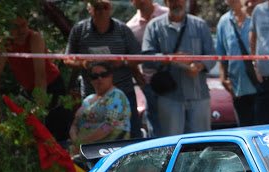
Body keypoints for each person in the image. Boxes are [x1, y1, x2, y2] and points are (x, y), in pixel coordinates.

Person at [64, 0, 142, 139]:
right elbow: (67, 58)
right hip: (92, 95)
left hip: (122, 93)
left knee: (129, 136)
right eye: (97, 7)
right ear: (90, 10)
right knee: (88, 130)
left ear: (111, 9)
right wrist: (83, 64)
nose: (102, 11)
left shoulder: (122, 29)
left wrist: (121, 62)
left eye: (105, 7)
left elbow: (138, 57)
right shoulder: (79, 30)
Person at [0, 16, 72, 142]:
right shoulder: (4, 43)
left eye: (24, 25)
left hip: (51, 86)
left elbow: (40, 74)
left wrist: (39, 106)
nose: (21, 30)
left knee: (57, 132)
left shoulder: (35, 38)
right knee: (26, 131)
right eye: (16, 27)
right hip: (28, 89)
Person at [142, 0, 217, 136]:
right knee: (172, 144)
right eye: (172, 0)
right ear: (166, 2)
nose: (177, 3)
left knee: (201, 144)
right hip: (169, 97)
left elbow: (212, 55)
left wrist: (199, 66)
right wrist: (171, 58)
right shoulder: (154, 26)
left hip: (198, 95)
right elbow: (147, 57)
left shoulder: (199, 25)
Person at [69, 61, 131, 156]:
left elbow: (109, 126)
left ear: (110, 76)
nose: (99, 79)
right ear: (91, 80)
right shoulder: (88, 99)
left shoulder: (117, 96)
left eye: (103, 75)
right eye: (95, 76)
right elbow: (75, 123)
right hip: (81, 148)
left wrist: (83, 143)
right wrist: (76, 141)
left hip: (105, 152)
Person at [127, 0, 169, 137]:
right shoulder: (131, 27)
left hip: (177, 82)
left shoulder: (169, 14)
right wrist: (140, 79)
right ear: (132, 2)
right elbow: (131, 58)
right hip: (151, 85)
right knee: (157, 132)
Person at [216, 0, 258, 126]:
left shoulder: (257, 17)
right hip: (238, 89)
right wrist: (224, 79)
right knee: (245, 131)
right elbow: (221, 54)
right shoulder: (224, 22)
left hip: (261, 87)